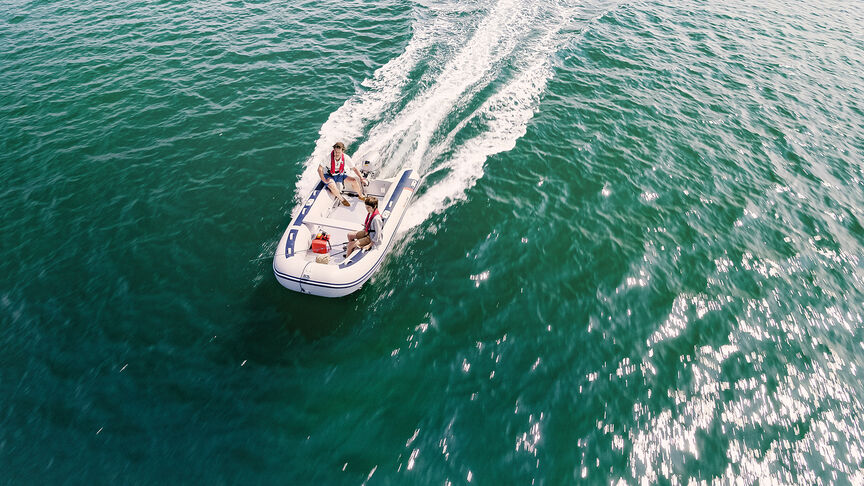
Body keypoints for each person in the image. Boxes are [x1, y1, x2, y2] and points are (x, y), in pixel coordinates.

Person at [318, 142, 367, 206]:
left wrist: (361, 178)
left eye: (339, 152)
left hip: (340, 174)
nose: (336, 154)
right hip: (329, 175)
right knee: (332, 186)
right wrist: (323, 179)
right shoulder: (328, 158)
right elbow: (319, 168)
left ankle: (360, 195)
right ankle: (342, 199)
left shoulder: (346, 158)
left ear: (342, 151)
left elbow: (354, 169)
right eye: (335, 152)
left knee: (354, 181)